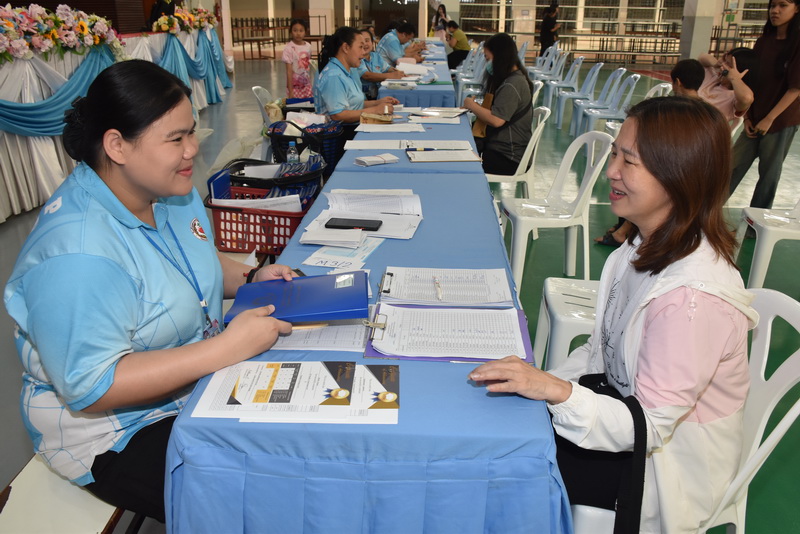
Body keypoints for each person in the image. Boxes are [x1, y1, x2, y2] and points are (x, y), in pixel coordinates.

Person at [3, 60, 296, 522]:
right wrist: (225, 349)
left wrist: (250, 278)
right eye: (176, 139)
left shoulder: (170, 192)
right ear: (117, 145)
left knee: (301, 444)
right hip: (115, 431)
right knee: (260, 500)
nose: (193, 149)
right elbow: (93, 386)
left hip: (192, 382)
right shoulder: (78, 254)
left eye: (191, 132)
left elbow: (190, 261)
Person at [468, 96, 758, 532]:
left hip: (667, 467)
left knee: (509, 473)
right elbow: (599, 350)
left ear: (679, 175)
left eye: (629, 161)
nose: (611, 171)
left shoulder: (691, 299)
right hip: (622, 413)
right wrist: (545, 384)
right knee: (503, 439)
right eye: (615, 155)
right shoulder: (640, 246)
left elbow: (648, 429)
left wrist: (556, 392)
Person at [730, 0, 800, 210]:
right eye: (772, 6)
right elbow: (752, 81)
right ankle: (705, 216)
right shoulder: (763, 42)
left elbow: (795, 88)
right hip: (755, 117)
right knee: (732, 166)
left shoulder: (797, 44)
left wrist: (770, 118)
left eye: (782, 5)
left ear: (796, 8)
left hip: (780, 121)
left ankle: (756, 223)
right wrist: (748, 116)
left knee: (768, 175)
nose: (775, 11)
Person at [462, 33, 533, 176]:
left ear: (500, 57)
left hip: (509, 157)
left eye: (488, 58)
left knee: (462, 164)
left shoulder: (512, 84)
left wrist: (472, 105)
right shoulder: (512, 79)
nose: (487, 64)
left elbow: (496, 120)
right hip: (503, 149)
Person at [314, 26, 399, 125]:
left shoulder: (347, 71)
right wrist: (375, 110)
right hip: (342, 132)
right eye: (360, 47)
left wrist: (378, 103)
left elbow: (354, 105)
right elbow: (338, 115)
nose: (363, 52)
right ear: (346, 48)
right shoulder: (334, 76)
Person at [354, 28, 404, 100]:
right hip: (365, 98)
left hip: (378, 93)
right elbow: (367, 76)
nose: (365, 44)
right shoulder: (356, 59)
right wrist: (391, 75)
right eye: (361, 42)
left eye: (367, 41)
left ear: (372, 42)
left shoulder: (376, 56)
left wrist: (400, 73)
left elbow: (388, 68)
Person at [282, 18, 313, 99]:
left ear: (305, 32)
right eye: (295, 30)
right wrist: (291, 91)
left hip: (306, 86)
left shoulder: (308, 46)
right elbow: (289, 71)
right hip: (294, 88)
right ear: (291, 32)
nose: (298, 33)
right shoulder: (289, 49)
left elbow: (308, 66)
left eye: (301, 30)